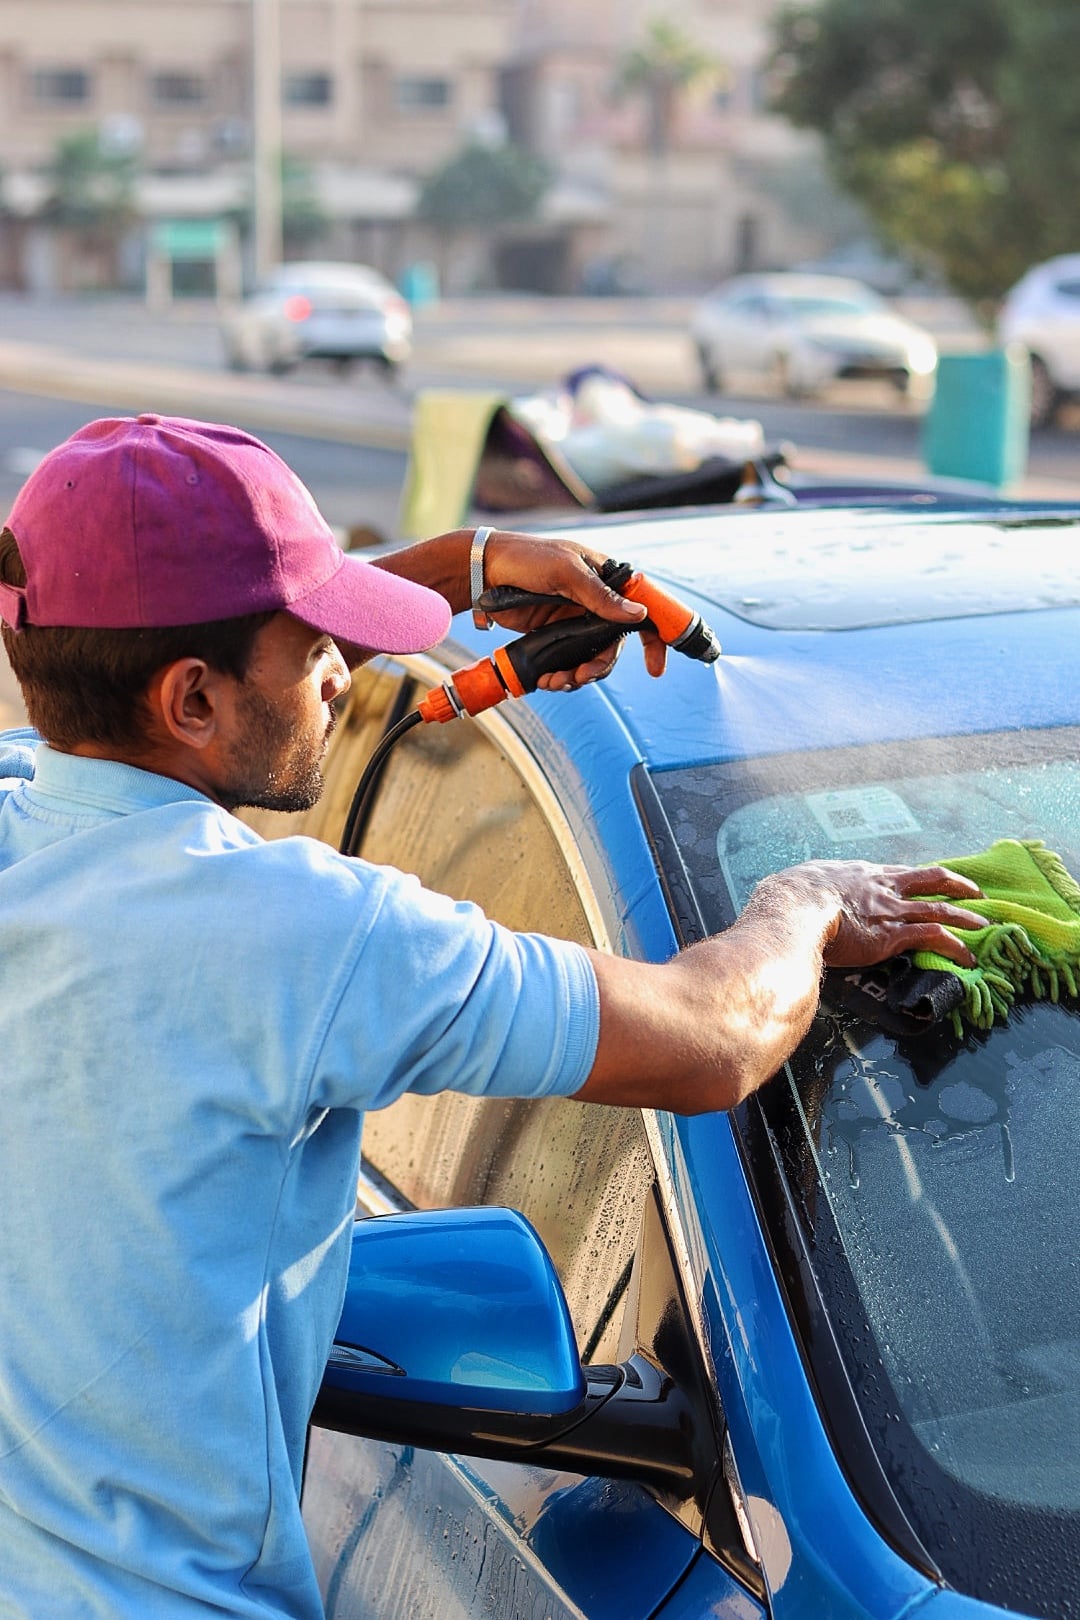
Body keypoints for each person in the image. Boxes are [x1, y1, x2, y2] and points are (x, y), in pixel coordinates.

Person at [0, 414, 983, 1620]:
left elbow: (140, 631)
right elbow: (712, 1038)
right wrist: (803, 902)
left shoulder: (19, 815)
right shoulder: (303, 935)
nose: (341, 672)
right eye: (314, 640)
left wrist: (461, 567)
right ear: (191, 697)